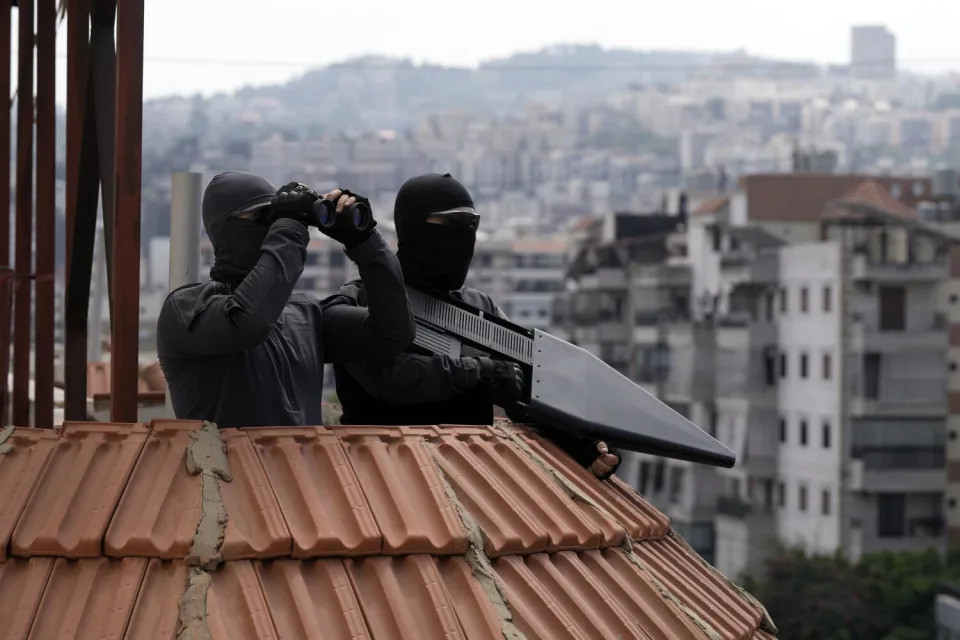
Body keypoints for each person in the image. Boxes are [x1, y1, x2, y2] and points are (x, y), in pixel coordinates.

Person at [332, 173, 621, 479]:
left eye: (472, 224)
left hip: (468, 480)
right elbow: (391, 378)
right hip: (382, 477)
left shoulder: (477, 307)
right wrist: (479, 372)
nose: (464, 235)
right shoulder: (363, 299)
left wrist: (579, 444)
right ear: (413, 226)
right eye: (452, 223)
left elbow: (528, 380)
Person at [157, 171, 415, 427]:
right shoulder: (186, 311)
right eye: (262, 217)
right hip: (225, 467)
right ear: (223, 228)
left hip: (299, 467)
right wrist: (289, 225)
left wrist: (365, 241)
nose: (272, 228)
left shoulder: (305, 315)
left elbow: (393, 333)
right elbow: (248, 322)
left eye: (276, 218)